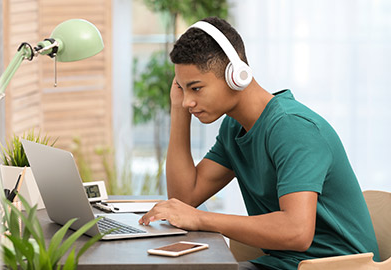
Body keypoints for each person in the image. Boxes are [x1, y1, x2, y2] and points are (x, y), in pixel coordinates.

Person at [138, 16, 379, 270]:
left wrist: (200, 219)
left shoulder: (292, 128)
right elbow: (184, 198)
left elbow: (297, 231)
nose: (188, 101)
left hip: (334, 267)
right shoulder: (234, 128)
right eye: (182, 89)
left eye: (196, 88)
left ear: (236, 76)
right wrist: (178, 110)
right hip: (284, 263)